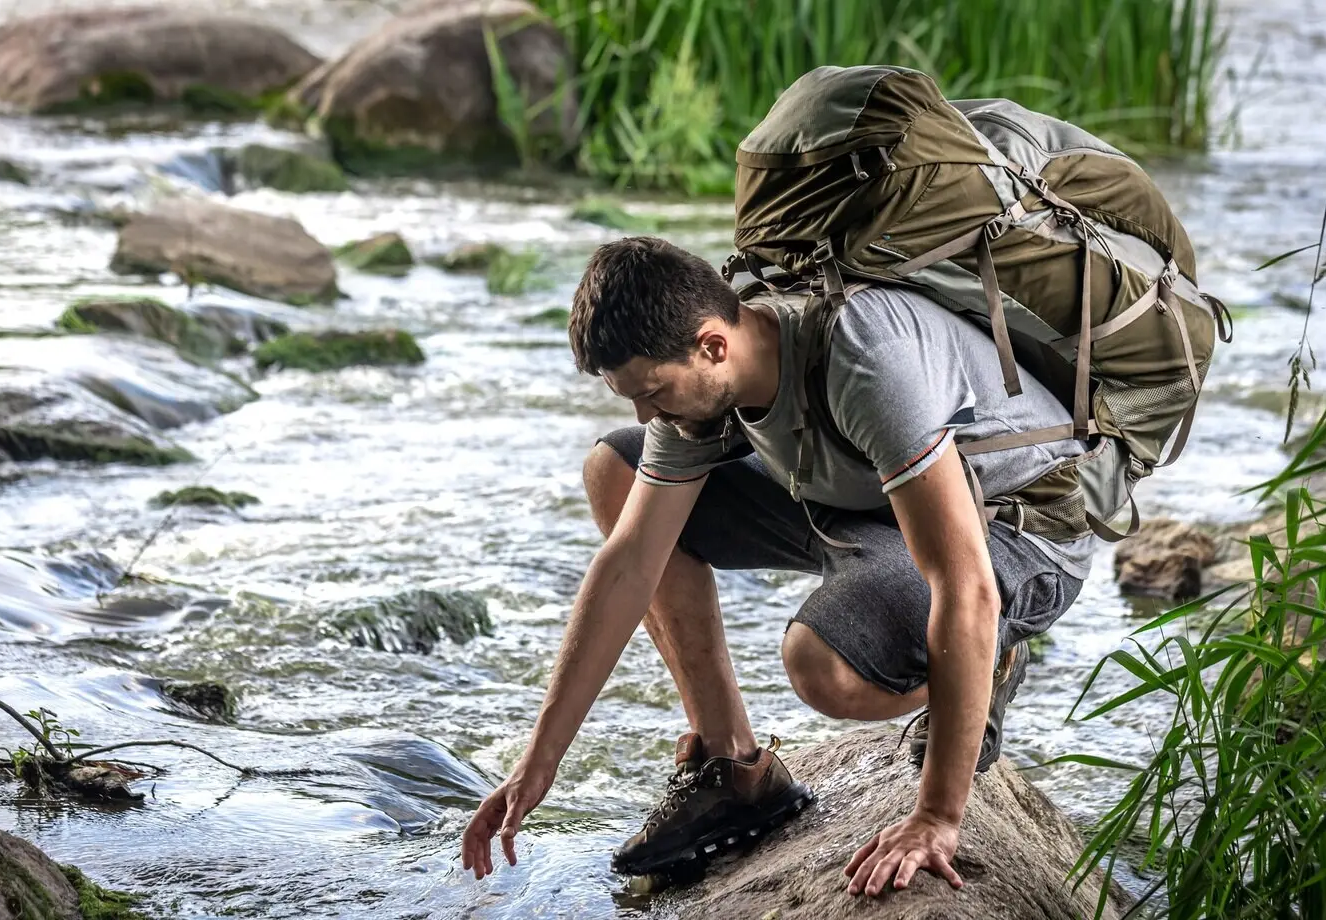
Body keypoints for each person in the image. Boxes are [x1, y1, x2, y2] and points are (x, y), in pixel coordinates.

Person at [461, 235, 1093, 898]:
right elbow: (627, 566)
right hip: (865, 504)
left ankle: (986, 666)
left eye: (651, 391)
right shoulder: (711, 382)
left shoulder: (867, 360)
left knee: (820, 668)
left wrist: (936, 817)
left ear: (712, 345)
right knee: (614, 471)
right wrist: (539, 763)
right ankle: (734, 765)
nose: (647, 414)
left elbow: (966, 587)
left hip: (1015, 532)